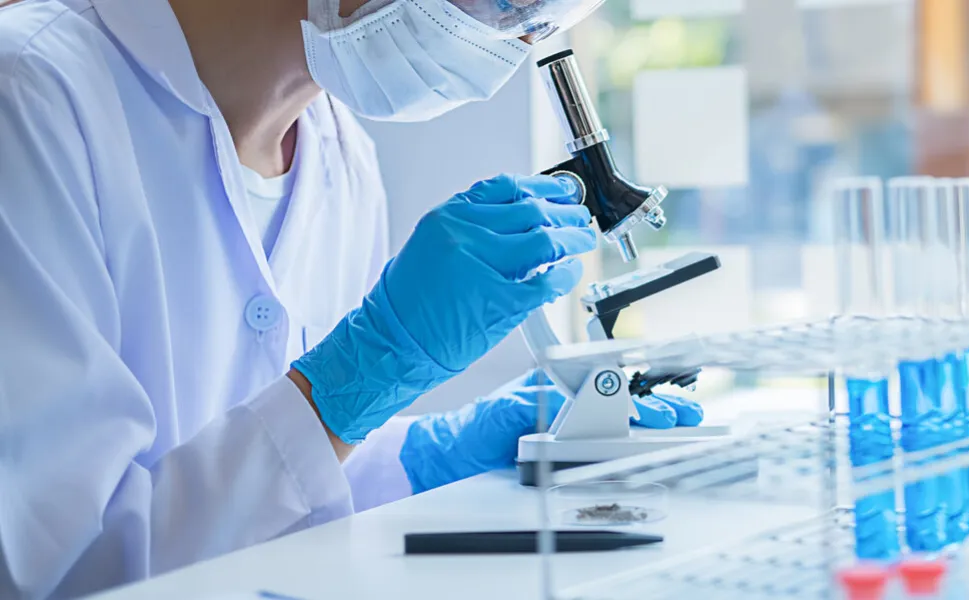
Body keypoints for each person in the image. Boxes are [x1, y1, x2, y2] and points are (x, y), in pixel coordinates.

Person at [0, 0, 704, 597]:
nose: (513, 44)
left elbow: (297, 473)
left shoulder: (340, 153)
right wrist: (370, 368)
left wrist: (426, 455)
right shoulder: (28, 95)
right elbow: (66, 572)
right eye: (510, 5)